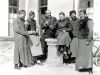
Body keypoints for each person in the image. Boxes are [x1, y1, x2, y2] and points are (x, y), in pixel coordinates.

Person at [75, 9, 93, 74]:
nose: (81, 16)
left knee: (88, 54)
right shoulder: (81, 21)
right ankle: (82, 67)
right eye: (80, 15)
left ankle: (90, 69)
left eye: (82, 14)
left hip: (87, 39)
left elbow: (91, 31)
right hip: (81, 39)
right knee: (81, 54)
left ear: (85, 14)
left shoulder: (89, 21)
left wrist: (88, 40)